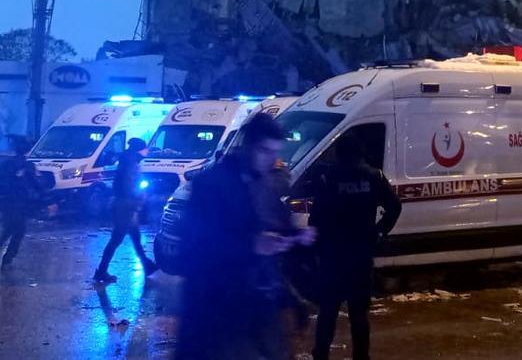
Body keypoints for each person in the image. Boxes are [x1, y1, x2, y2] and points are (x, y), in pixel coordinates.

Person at [177, 112, 301, 360]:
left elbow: (269, 230)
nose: (272, 159)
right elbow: (195, 248)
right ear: (247, 144)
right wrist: (251, 245)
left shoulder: (262, 182)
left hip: (255, 306)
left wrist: (294, 235)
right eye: (265, 150)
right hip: (216, 313)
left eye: (276, 152)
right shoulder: (211, 184)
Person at [310, 134, 402, 360]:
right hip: (361, 256)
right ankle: (361, 356)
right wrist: (379, 231)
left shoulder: (328, 178)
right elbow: (395, 207)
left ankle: (321, 355)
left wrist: (318, 249)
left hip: (333, 256)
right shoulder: (374, 177)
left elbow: (316, 220)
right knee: (359, 315)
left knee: (328, 313)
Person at [93, 137, 157, 283]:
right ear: (139, 149)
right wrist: (137, 199)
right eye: (145, 149)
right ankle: (101, 271)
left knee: (135, 237)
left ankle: (147, 265)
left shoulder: (127, 160)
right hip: (126, 206)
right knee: (117, 239)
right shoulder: (131, 164)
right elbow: (130, 186)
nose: (146, 151)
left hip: (124, 204)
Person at [0, 135, 41, 268]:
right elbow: (35, 185)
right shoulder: (26, 166)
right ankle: (6, 259)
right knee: (18, 231)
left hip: (8, 204)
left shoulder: (7, 165)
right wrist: (47, 197)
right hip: (16, 204)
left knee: (9, 230)